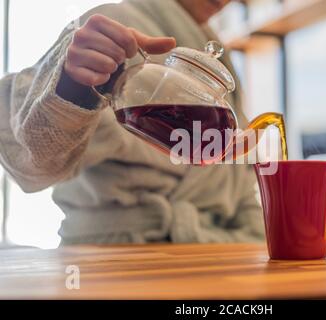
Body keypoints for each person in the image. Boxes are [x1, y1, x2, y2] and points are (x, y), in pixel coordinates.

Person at [0, 0, 265, 245]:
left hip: (207, 252)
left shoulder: (222, 67)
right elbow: (29, 159)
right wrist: (72, 88)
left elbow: (240, 183)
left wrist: (262, 244)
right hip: (108, 257)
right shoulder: (115, 27)